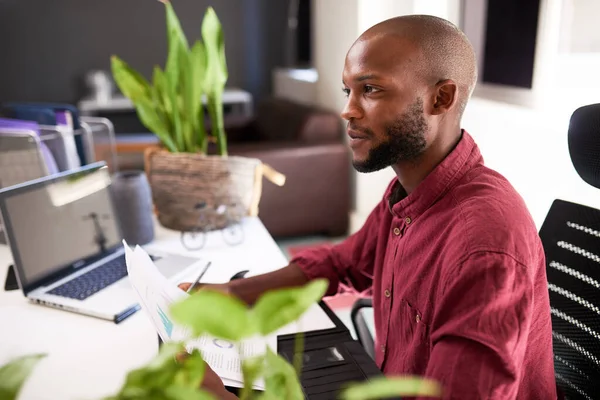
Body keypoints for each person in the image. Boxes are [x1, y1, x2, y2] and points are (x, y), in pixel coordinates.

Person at [179, 14, 557, 400]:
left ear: (440, 98)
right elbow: (344, 263)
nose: (348, 110)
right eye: (348, 91)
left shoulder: (484, 244)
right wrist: (232, 292)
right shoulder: (408, 192)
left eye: (371, 89)